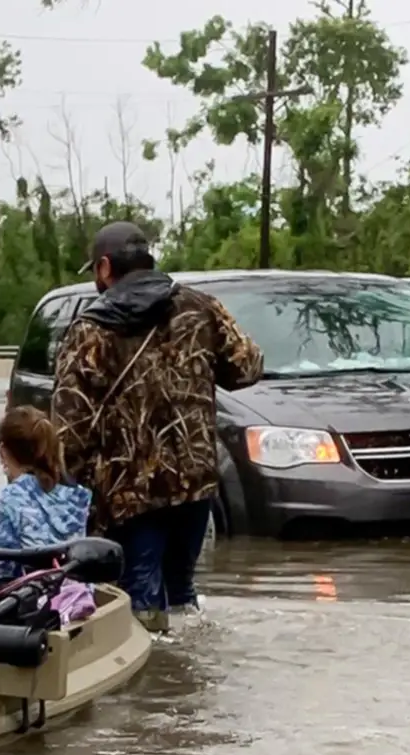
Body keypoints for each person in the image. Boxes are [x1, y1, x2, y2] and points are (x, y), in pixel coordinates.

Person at [51, 221, 264, 634]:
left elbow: (69, 428)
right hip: (196, 480)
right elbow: (248, 367)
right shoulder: (201, 307)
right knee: (182, 588)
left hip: (127, 490)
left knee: (138, 594)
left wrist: (72, 488)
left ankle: (153, 680)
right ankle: (188, 675)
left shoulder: (89, 330)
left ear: (105, 268)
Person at [0, 406, 91, 582]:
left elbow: (2, 570)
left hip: (34, 598)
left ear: (2, 451)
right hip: (75, 593)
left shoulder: (7, 499)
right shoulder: (78, 495)